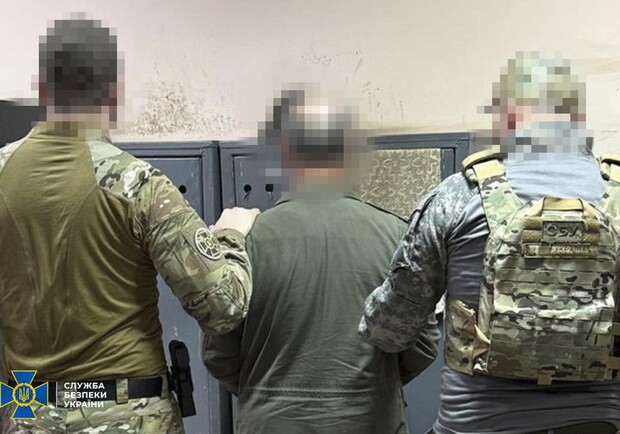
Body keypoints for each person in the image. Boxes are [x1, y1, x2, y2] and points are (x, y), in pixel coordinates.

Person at [0, 15, 259, 434]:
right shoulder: (136, 184)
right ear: (114, 91)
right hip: (129, 416)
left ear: (42, 89)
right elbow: (223, 307)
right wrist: (231, 234)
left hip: (28, 413)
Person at [359, 52, 620, 434]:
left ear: (508, 117)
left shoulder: (458, 197)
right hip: (595, 424)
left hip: (476, 424)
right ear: (576, 118)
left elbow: (391, 330)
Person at [203, 87, 440, 434]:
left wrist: (267, 392)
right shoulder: (398, 236)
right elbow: (422, 345)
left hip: (272, 423)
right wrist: (372, 389)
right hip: (370, 420)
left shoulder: (245, 240)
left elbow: (219, 354)